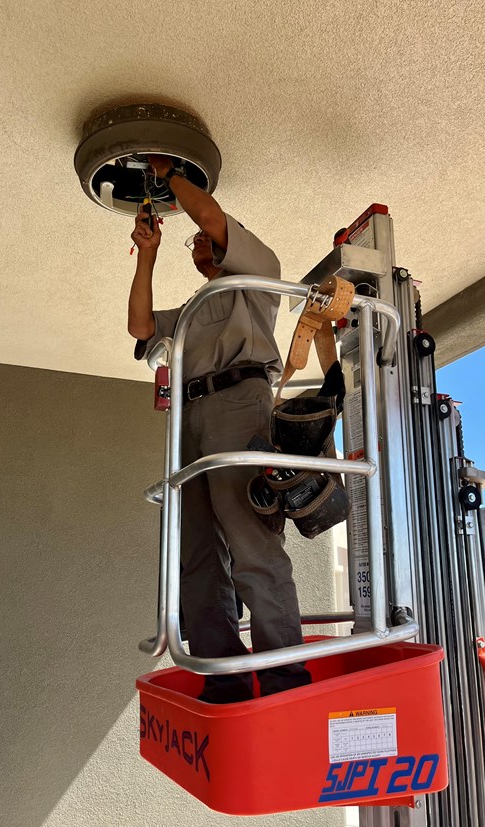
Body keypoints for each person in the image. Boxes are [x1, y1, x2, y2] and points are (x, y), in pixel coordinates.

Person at [128, 155, 311, 703]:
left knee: (250, 540)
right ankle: (224, 677)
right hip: (190, 418)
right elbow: (139, 326)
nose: (200, 244)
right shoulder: (192, 309)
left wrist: (169, 176)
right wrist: (148, 255)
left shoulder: (257, 275)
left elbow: (209, 217)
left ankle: (284, 677)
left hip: (238, 402)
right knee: (198, 550)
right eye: (193, 246)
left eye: (206, 241)